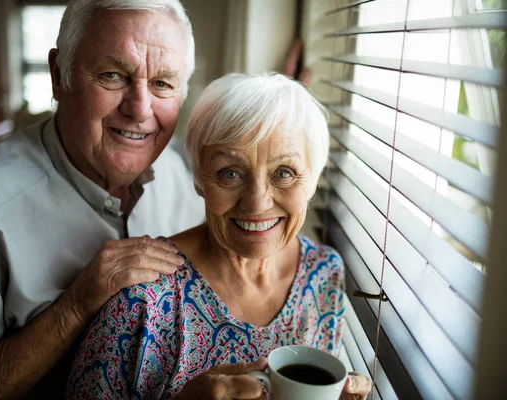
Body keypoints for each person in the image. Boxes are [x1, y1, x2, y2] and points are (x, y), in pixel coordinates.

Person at [0, 1, 205, 398]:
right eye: (113, 75)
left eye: (163, 84)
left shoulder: (192, 178)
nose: (139, 109)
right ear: (57, 75)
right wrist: (73, 308)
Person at [65, 73, 372, 400]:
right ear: (199, 179)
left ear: (312, 181)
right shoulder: (141, 296)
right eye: (230, 173)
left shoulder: (325, 272)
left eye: (284, 173)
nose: (257, 203)